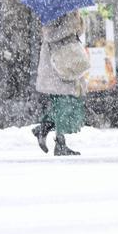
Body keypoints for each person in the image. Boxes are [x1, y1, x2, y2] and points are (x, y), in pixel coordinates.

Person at [32, 10, 89, 156]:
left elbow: (76, 33)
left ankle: (44, 128)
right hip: (57, 63)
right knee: (63, 103)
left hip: (68, 60)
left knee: (68, 102)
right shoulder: (53, 10)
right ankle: (59, 142)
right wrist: (70, 27)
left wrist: (79, 24)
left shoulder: (69, 9)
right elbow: (50, 34)